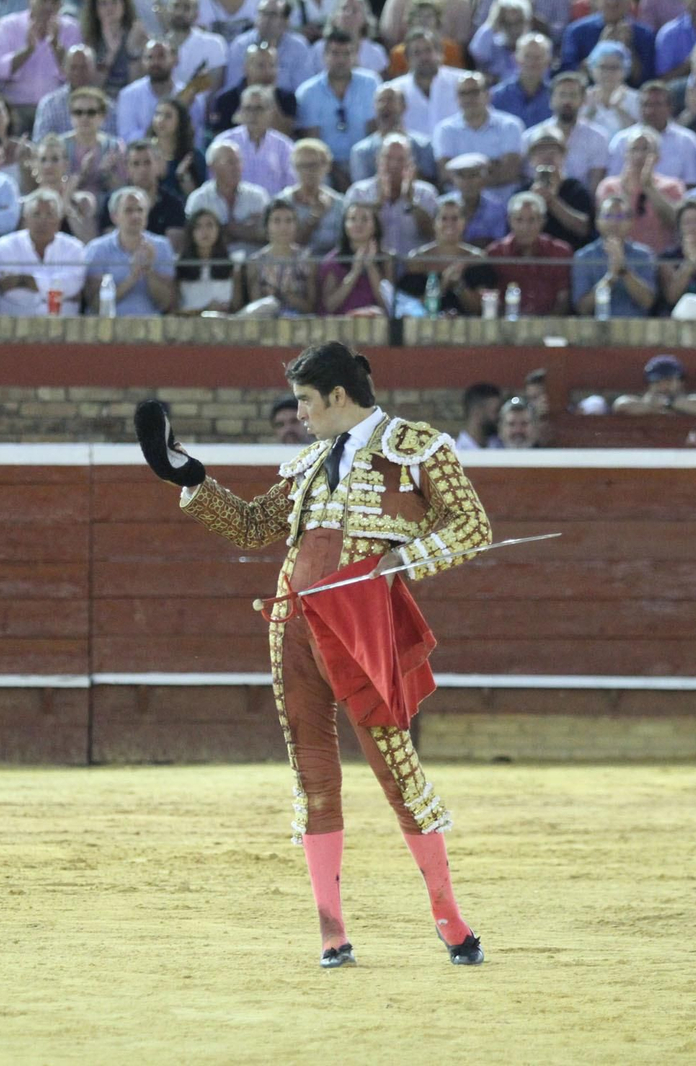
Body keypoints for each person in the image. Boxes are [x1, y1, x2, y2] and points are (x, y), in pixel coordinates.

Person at [159, 341, 490, 969]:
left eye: (308, 401)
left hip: (362, 629)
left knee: (398, 771)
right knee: (313, 777)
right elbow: (255, 526)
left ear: (338, 396)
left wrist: (402, 558)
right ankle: (331, 931)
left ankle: (449, 917)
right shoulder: (310, 461)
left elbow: (472, 527)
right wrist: (191, 479)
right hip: (293, 624)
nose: (301, 414)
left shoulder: (417, 447)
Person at [296, 27, 379, 184]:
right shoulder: (308, 92)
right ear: (324, 56)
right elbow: (312, 139)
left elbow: (373, 130)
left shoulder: (370, 83)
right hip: (324, 163)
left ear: (355, 56)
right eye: (335, 54)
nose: (341, 60)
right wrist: (336, 172)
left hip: (363, 159)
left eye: (346, 54)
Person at [83, 185, 178, 315]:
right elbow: (95, 304)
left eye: (140, 210)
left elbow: (166, 303)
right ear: (114, 216)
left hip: (151, 328)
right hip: (108, 328)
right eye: (129, 210)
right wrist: (132, 277)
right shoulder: (97, 249)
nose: (136, 216)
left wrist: (149, 271)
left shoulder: (162, 246)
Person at [0, 187, 88, 315]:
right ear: (25, 217)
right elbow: (11, 292)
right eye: (36, 214)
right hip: (14, 327)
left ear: (59, 219)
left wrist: (27, 280)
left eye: (50, 215)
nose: (43, 221)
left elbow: (72, 287)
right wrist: (54, 290)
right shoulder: (5, 245)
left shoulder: (75, 248)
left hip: (65, 329)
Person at [400, 194, 497, 314]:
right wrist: (443, 284)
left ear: (464, 222)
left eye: (455, 218)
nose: (449, 223)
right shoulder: (417, 259)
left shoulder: (477, 258)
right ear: (434, 223)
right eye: (444, 218)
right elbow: (410, 308)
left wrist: (459, 286)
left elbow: (480, 309)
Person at [433, 71, 523, 197]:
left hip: (503, 202)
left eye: (474, 92)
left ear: (487, 95)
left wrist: (464, 174)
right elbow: (445, 174)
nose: (469, 98)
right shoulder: (445, 129)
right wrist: (491, 166)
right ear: (457, 98)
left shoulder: (510, 126)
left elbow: (509, 172)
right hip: (458, 206)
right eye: (463, 94)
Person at [345, 133, 437, 257]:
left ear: (411, 163)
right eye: (388, 158)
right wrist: (378, 204)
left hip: (414, 269)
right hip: (374, 267)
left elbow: (433, 234)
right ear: (377, 159)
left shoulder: (426, 193)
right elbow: (349, 235)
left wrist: (411, 202)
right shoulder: (358, 192)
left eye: (401, 159)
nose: (394, 165)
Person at [596, 127, 684, 254]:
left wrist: (649, 188)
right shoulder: (609, 187)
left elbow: (676, 223)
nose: (639, 155)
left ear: (657, 156)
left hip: (661, 259)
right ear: (625, 154)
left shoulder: (672, 187)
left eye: (646, 149)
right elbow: (605, 226)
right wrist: (625, 190)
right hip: (621, 255)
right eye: (634, 149)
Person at [0, 0, 83, 116]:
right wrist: (27, 51)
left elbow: (78, 75)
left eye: (54, 2)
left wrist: (56, 46)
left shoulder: (71, 28)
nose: (48, 7)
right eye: (43, 1)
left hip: (58, 108)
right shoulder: (8, 25)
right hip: (15, 108)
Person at [485, 191, 572, 316]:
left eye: (532, 220)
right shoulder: (495, 253)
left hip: (551, 327)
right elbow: (491, 298)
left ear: (542, 221)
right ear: (510, 220)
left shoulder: (560, 252)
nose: (525, 227)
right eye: (519, 220)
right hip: (506, 327)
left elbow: (563, 299)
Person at [572, 193, 659, 317]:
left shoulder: (644, 255)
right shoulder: (583, 256)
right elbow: (582, 308)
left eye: (619, 216)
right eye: (607, 216)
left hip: (637, 330)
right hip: (594, 331)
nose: (613, 223)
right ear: (597, 221)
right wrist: (611, 277)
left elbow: (648, 302)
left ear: (630, 222)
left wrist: (624, 270)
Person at [525, 71, 610, 190]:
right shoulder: (531, 136)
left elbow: (595, 182)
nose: (567, 101)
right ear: (551, 100)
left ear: (583, 100)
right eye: (562, 95)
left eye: (573, 95)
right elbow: (526, 178)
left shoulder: (597, 137)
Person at [607, 80, 696, 186]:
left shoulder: (686, 140)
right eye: (646, 105)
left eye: (657, 104)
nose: (650, 110)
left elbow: (691, 183)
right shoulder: (622, 140)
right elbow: (613, 182)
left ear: (670, 107)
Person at [212, 86, 298, 196]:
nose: (253, 114)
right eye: (248, 108)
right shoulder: (224, 142)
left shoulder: (284, 146)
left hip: (273, 209)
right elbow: (213, 181)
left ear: (270, 111)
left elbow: (291, 187)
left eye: (259, 108)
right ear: (241, 111)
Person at [185, 140, 269, 253]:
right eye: (230, 162)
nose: (236, 167)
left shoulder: (258, 196)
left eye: (238, 161)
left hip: (252, 264)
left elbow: (267, 235)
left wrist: (224, 230)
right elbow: (195, 240)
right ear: (212, 167)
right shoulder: (200, 199)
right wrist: (244, 230)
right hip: (216, 266)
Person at [383, 26, 463, 141]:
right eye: (417, 53)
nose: (424, 57)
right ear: (407, 58)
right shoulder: (394, 90)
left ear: (440, 52)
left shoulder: (461, 83)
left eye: (428, 50)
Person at [520, 126, 592, 249]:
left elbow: (584, 229)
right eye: (541, 149)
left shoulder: (576, 189)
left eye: (553, 149)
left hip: (570, 258)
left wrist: (552, 201)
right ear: (531, 158)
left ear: (564, 155)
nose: (547, 155)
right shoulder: (522, 192)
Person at [225, 0, 315, 94]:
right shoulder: (240, 45)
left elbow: (303, 90)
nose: (265, 19)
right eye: (262, 13)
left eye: (272, 14)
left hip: (285, 104)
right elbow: (233, 88)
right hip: (247, 104)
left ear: (286, 21)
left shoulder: (299, 47)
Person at [245, 199, 318, 315]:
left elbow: (312, 307)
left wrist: (289, 297)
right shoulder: (255, 262)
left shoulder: (307, 259)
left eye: (289, 221)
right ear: (267, 226)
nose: (283, 227)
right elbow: (256, 306)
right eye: (276, 221)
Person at [210, 41, 297, 136]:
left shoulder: (287, 98)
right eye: (261, 65)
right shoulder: (225, 100)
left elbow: (285, 134)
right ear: (246, 68)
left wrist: (271, 99)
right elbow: (220, 138)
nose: (268, 71)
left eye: (272, 65)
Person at [318, 200, 390, 315]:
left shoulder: (386, 259)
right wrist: (354, 272)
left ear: (375, 225)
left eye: (364, 219)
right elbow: (329, 305)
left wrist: (371, 267)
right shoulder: (332, 261)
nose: (358, 224)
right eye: (352, 219)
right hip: (341, 324)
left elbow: (388, 304)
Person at [561, 0, 657, 84]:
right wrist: (600, 48)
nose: (612, 2)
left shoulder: (645, 34)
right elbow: (569, 74)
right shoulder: (577, 31)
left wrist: (627, 47)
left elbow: (646, 79)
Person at [35, 44, 118, 141]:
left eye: (84, 67)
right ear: (64, 69)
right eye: (73, 67)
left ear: (94, 69)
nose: (78, 72)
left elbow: (114, 142)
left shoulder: (108, 106)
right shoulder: (49, 105)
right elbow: (40, 142)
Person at [30, 134, 100, 242]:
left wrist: (66, 202)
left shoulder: (82, 201)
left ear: (65, 164)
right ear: (36, 165)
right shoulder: (29, 203)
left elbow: (88, 240)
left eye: (55, 159)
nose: (48, 165)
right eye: (43, 160)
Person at [173, 206, 239, 313]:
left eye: (210, 225)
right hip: (190, 324)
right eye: (198, 227)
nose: (205, 231)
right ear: (191, 232)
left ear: (218, 230)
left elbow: (237, 307)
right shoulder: (179, 265)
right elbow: (174, 309)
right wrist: (204, 310)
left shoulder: (233, 264)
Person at [612, 353, 696, 414]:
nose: (663, 386)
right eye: (657, 381)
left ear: (681, 382)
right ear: (649, 384)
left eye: (668, 380)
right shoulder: (640, 403)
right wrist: (652, 405)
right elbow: (621, 406)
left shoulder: (688, 402)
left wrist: (670, 403)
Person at [440, 153, 507, 247]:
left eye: (473, 175)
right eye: (462, 176)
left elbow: (497, 242)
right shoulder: (441, 205)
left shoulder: (497, 208)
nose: (468, 181)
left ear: (484, 178)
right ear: (453, 180)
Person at [489, 30, 552, 128]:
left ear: (548, 60)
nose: (532, 62)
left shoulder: (555, 96)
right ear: (515, 58)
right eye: (527, 56)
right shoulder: (496, 97)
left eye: (538, 57)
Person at [79, 0, 145, 92]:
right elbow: (92, 87)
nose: (109, 8)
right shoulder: (89, 39)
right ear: (95, 9)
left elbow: (138, 85)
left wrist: (132, 51)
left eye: (114, 2)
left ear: (124, 5)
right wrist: (111, 54)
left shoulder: (136, 34)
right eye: (103, 3)